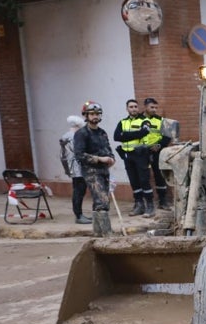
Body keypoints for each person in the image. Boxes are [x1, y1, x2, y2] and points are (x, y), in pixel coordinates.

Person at [72, 101, 116, 236]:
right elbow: (79, 155)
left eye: (97, 114)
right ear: (86, 115)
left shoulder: (102, 132)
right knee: (102, 201)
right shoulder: (82, 133)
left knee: (100, 202)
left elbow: (108, 148)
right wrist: (99, 159)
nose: (95, 116)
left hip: (104, 170)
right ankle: (108, 234)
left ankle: (97, 234)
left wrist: (111, 158)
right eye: (92, 114)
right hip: (91, 171)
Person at [114, 97, 155, 216]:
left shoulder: (144, 120)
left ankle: (150, 206)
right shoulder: (122, 122)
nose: (133, 109)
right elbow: (116, 137)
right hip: (128, 156)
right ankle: (139, 204)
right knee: (134, 181)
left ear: (138, 108)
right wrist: (134, 134)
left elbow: (144, 132)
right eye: (131, 107)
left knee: (144, 180)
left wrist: (125, 135)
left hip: (141, 155)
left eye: (135, 107)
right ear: (127, 109)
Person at [140, 96, 173, 209]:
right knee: (144, 177)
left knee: (159, 176)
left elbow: (168, 136)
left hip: (156, 152)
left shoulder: (160, 120)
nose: (154, 110)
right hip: (142, 152)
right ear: (145, 107)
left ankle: (162, 201)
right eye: (151, 107)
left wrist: (159, 145)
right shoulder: (137, 120)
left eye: (156, 107)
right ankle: (147, 203)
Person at [59, 114, 91, 224]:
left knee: (78, 190)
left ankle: (79, 214)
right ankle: (79, 215)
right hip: (78, 167)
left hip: (71, 167)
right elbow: (79, 152)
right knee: (79, 191)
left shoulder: (65, 136)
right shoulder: (75, 136)